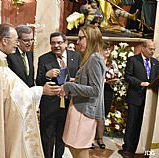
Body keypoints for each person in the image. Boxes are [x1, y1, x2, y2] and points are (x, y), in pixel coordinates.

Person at [0, 23, 61, 158]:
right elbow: (15, 95)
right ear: (5, 41)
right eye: (16, 40)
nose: (17, 44)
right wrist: (40, 91)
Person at [61, 25, 106, 158]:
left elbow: (95, 90)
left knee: (80, 151)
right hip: (79, 108)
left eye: (81, 38)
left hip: (84, 111)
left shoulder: (94, 59)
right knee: (73, 148)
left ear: (91, 38)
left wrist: (69, 86)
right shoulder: (90, 58)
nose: (77, 42)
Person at [36, 32, 81, 158]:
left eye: (59, 43)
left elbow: (81, 77)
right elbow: (38, 82)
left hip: (69, 103)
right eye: (53, 43)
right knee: (47, 136)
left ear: (66, 44)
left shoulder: (76, 56)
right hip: (50, 105)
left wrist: (74, 81)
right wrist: (47, 75)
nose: (56, 45)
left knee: (63, 135)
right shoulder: (44, 58)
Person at [118, 39, 159, 157]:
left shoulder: (156, 63)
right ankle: (128, 149)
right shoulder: (133, 60)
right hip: (136, 97)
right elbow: (128, 76)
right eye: (150, 49)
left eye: (154, 49)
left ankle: (140, 147)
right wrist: (141, 83)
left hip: (150, 98)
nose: (152, 52)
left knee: (143, 123)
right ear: (143, 48)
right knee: (132, 123)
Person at [95, 42, 120, 149]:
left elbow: (117, 74)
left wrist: (115, 80)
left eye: (109, 50)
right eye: (105, 49)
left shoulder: (112, 63)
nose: (107, 51)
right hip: (96, 90)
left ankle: (100, 138)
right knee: (93, 113)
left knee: (103, 114)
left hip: (107, 91)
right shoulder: (96, 61)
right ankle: (90, 137)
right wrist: (104, 80)